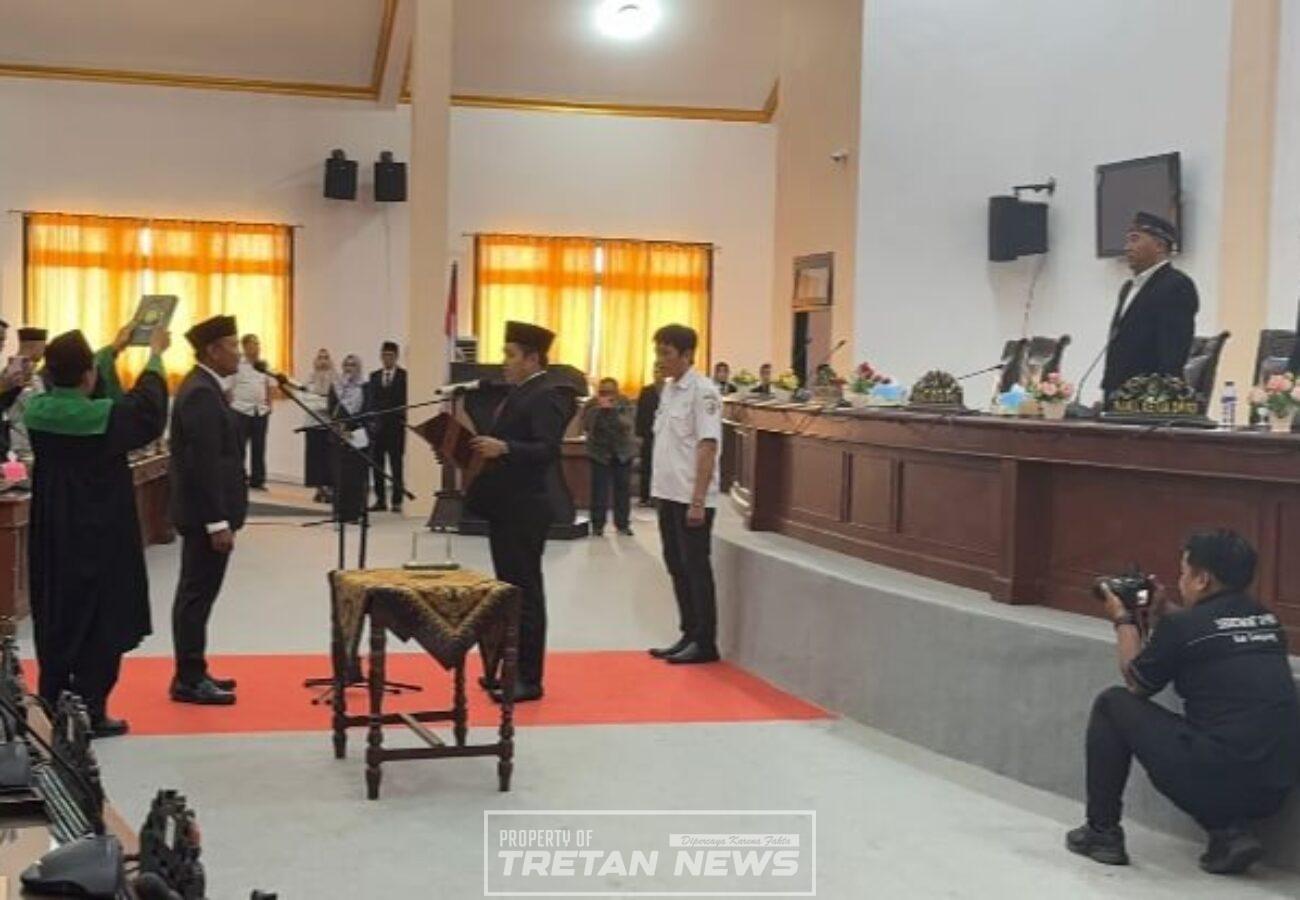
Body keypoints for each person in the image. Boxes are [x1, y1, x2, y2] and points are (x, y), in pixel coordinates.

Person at [1067, 529, 1300, 875]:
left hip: (1217, 779)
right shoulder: (1267, 621)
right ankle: (1229, 834)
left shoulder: (1183, 628)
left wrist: (1123, 619)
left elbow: (1136, 682)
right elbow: (1212, 635)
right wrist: (1165, 612)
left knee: (1112, 704)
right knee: (1220, 746)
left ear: (1202, 579)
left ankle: (1102, 833)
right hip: (1275, 787)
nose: (1181, 581)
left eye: (1184, 572)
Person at [25, 324, 170, 737]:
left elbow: (88, 389)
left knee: (58, 611)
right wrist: (155, 356)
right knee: (103, 615)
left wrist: (113, 350)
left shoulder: (38, 410)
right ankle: (92, 707)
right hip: (102, 529)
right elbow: (147, 410)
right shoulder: (105, 416)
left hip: (54, 529)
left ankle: (53, 699)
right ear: (88, 375)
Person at [466, 321, 575, 703]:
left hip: (526, 506)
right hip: (506, 505)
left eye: (511, 355)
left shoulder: (546, 395)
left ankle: (529, 677)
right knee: (509, 591)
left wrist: (505, 448)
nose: (504, 362)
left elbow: (548, 449)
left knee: (526, 595)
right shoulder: (520, 393)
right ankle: (506, 669)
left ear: (533, 358)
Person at [169, 315, 248, 706]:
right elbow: (204, 464)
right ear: (212, 350)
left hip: (206, 513)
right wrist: (217, 521)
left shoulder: (207, 388)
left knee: (198, 594)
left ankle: (193, 668)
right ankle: (189, 678)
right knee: (196, 596)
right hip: (205, 516)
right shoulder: (201, 392)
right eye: (232, 345)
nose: (239, 353)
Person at [648, 324, 722, 665]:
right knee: (676, 565)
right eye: (657, 352)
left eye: (666, 353)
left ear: (687, 354)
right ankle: (688, 633)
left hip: (691, 497)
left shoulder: (703, 392)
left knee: (696, 569)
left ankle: (705, 642)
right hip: (667, 494)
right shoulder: (669, 389)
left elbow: (707, 446)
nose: (659, 359)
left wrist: (698, 500)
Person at [1100, 212, 1199, 399]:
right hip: (1117, 393)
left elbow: (1173, 352)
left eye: (1134, 239)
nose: (1127, 247)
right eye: (1127, 241)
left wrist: (1158, 398)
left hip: (1148, 398)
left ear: (1159, 246)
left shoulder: (1176, 285)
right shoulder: (1128, 287)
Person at [582, 377, 636, 536]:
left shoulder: (625, 403)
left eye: (610, 392)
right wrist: (598, 411)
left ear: (617, 392)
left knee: (622, 490)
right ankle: (597, 525)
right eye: (602, 392)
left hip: (622, 452)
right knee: (599, 490)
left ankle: (622, 524)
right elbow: (587, 426)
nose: (606, 396)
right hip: (599, 452)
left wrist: (614, 411)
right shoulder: (592, 404)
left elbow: (628, 425)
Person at [328, 354, 371, 523]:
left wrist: (358, 428)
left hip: (358, 435)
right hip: (340, 435)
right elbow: (332, 410)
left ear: (358, 367)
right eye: (346, 365)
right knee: (340, 475)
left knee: (357, 477)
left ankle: (355, 512)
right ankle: (340, 512)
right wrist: (341, 429)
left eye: (353, 365)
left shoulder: (365, 387)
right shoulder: (336, 387)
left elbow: (369, 409)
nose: (349, 368)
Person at [367, 341, 407, 513]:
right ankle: (380, 500)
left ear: (396, 357)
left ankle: (397, 501)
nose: (387, 359)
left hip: (396, 428)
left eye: (390, 356)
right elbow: (371, 400)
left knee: (396, 465)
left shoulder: (404, 376)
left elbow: (406, 400)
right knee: (377, 466)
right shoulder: (374, 376)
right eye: (384, 355)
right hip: (378, 429)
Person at [230, 334, 273, 492]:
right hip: (241, 410)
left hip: (260, 411)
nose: (257, 347)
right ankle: (237, 478)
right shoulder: (237, 365)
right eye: (253, 344)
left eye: (258, 344)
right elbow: (229, 387)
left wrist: (269, 404)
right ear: (245, 346)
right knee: (239, 447)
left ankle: (257, 480)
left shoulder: (263, 365)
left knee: (259, 447)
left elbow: (268, 385)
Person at [7, 327, 50, 463]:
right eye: (43, 347)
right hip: (21, 449)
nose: (44, 352)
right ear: (34, 346)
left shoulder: (30, 373)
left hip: (29, 445)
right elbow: (33, 406)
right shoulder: (16, 374)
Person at [302, 349, 336, 504]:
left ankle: (330, 488)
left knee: (329, 458)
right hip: (313, 423)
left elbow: (334, 401)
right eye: (320, 357)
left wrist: (323, 403)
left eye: (326, 357)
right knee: (314, 458)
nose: (323, 361)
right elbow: (306, 398)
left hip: (329, 424)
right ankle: (319, 489)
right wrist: (320, 402)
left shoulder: (335, 377)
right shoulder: (310, 378)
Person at [635, 363, 664, 507]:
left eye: (660, 371)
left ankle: (659, 497)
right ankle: (644, 496)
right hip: (648, 433)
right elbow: (640, 414)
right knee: (647, 464)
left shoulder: (670, 391)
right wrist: (638, 435)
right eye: (655, 371)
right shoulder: (646, 391)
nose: (658, 374)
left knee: (662, 466)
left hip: (665, 435)